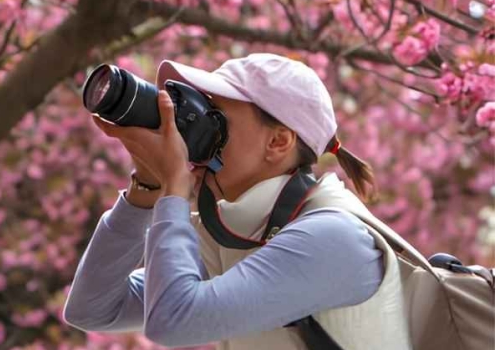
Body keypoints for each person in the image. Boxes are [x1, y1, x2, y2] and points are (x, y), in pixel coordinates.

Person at [62, 53, 411, 350]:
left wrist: (174, 188)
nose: (194, 128)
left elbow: (173, 320)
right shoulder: (241, 231)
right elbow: (92, 309)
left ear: (277, 142)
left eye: (214, 115)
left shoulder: (331, 236)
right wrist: (146, 193)